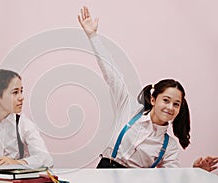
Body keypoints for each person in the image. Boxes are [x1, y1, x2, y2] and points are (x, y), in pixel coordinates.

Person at [78, 6, 218, 171]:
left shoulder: (169, 146)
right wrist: (93, 36)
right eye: (166, 100)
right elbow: (111, 72)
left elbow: (172, 180)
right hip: (104, 172)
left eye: (176, 104)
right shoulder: (129, 109)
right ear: (153, 99)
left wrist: (195, 172)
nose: (170, 107)